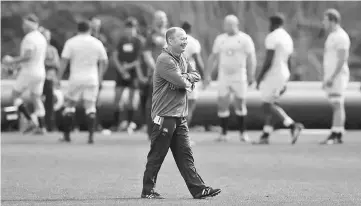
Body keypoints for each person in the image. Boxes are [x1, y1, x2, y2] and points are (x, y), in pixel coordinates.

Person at [141, 27, 221, 199]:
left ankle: (199, 189)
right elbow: (181, 82)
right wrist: (187, 80)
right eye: (181, 38)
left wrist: (187, 79)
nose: (185, 41)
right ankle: (147, 190)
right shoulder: (165, 60)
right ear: (170, 41)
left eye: (186, 38)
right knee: (157, 155)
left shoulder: (182, 57)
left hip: (179, 116)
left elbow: (195, 75)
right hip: (165, 116)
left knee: (186, 156)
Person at [254, 13, 304, 145]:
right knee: (273, 104)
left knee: (266, 105)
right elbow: (289, 59)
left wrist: (259, 77)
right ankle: (266, 134)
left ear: (273, 24)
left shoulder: (272, 37)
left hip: (274, 74)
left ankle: (292, 125)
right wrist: (288, 77)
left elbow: (269, 60)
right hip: (283, 73)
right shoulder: (287, 37)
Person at [206, 15, 256, 142]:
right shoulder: (220, 39)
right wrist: (208, 74)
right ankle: (224, 133)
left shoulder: (245, 39)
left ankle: (243, 133)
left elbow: (251, 58)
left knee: (240, 103)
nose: (227, 26)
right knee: (222, 103)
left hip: (239, 75)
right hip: (224, 75)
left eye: (230, 24)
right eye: (226, 24)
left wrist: (251, 74)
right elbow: (213, 57)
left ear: (236, 25)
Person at [58, 21, 108, 144]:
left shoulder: (71, 42)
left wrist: (58, 77)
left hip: (76, 78)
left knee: (70, 105)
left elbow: (64, 61)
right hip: (92, 78)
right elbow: (104, 61)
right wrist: (100, 76)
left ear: (77, 29)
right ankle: (91, 136)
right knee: (90, 107)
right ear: (90, 29)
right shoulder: (97, 42)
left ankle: (67, 135)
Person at [2, 14, 47, 133]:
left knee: (15, 95)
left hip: (29, 71)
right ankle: (42, 127)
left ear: (29, 25)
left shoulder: (29, 38)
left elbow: (28, 56)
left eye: (24, 24)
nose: (22, 27)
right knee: (36, 98)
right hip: (40, 72)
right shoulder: (41, 37)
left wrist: (12, 60)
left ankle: (30, 120)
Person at [319, 9, 350, 145]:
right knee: (334, 103)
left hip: (338, 76)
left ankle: (336, 133)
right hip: (331, 75)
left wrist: (333, 76)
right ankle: (338, 131)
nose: (323, 23)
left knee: (337, 103)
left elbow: (342, 58)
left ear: (332, 20)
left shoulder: (341, 36)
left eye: (325, 20)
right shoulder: (331, 36)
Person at [113, 17, 146, 134]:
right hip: (121, 72)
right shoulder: (121, 40)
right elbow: (115, 56)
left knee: (132, 99)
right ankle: (117, 123)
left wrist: (127, 67)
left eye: (131, 28)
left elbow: (139, 60)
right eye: (127, 28)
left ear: (135, 28)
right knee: (117, 98)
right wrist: (121, 70)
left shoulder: (139, 41)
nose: (129, 30)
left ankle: (130, 123)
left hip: (133, 73)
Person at [143, 10, 168, 139]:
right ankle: (152, 131)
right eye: (158, 18)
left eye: (163, 18)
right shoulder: (150, 35)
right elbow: (146, 54)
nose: (161, 20)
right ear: (154, 20)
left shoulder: (171, 34)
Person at [89, 16, 109, 131]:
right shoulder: (86, 38)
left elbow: (104, 60)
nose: (96, 26)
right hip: (86, 72)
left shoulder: (102, 39)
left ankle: (95, 125)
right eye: (94, 24)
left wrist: (100, 75)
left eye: (97, 25)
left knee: (96, 100)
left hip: (97, 74)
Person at [40, 28, 60, 132]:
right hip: (39, 78)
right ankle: (40, 125)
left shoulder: (52, 49)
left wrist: (45, 63)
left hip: (49, 78)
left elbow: (56, 64)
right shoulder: (38, 49)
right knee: (38, 102)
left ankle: (50, 126)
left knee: (50, 103)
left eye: (48, 35)